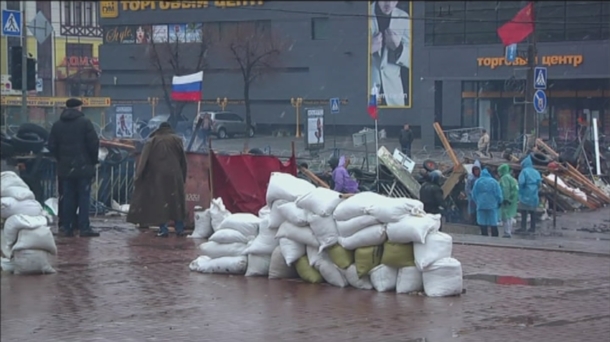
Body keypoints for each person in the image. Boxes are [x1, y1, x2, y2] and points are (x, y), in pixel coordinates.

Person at [48, 98, 100, 237]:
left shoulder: (57, 125)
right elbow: (93, 143)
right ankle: (84, 227)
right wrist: (92, 161)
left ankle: (67, 226)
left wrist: (61, 159)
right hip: (83, 167)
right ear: (78, 108)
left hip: (65, 168)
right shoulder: (85, 123)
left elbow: (51, 146)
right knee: (84, 197)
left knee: (67, 197)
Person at [127, 122, 188, 237]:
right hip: (175, 175)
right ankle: (179, 229)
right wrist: (182, 176)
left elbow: (143, 161)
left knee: (161, 202)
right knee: (177, 202)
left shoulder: (152, 141)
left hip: (158, 176)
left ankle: (163, 229)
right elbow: (183, 161)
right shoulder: (177, 140)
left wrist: (138, 177)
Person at [369, 1, 411, 106]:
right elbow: (347, 57)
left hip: (394, 96)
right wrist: (367, 49)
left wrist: (398, 49)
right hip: (368, 93)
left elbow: (415, 59)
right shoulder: (362, 13)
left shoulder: (404, 18)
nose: (388, 4)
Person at [471, 168, 503, 237]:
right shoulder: (494, 182)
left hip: (481, 204)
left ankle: (484, 234)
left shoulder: (478, 182)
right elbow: (498, 193)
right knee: (493, 221)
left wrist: (477, 202)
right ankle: (494, 235)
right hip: (492, 204)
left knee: (482, 220)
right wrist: (500, 202)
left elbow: (473, 194)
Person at [516, 155, 542, 233]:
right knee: (532, 212)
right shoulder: (536, 172)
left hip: (525, 193)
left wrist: (521, 190)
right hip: (534, 194)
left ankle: (523, 227)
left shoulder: (524, 171)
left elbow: (521, 182)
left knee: (524, 211)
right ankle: (532, 228)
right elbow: (539, 183)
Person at [498, 164, 519, 238]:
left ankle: (507, 232)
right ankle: (509, 231)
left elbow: (505, 188)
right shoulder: (511, 178)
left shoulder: (504, 178)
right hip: (512, 199)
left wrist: (505, 198)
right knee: (510, 216)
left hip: (507, 200)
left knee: (506, 216)